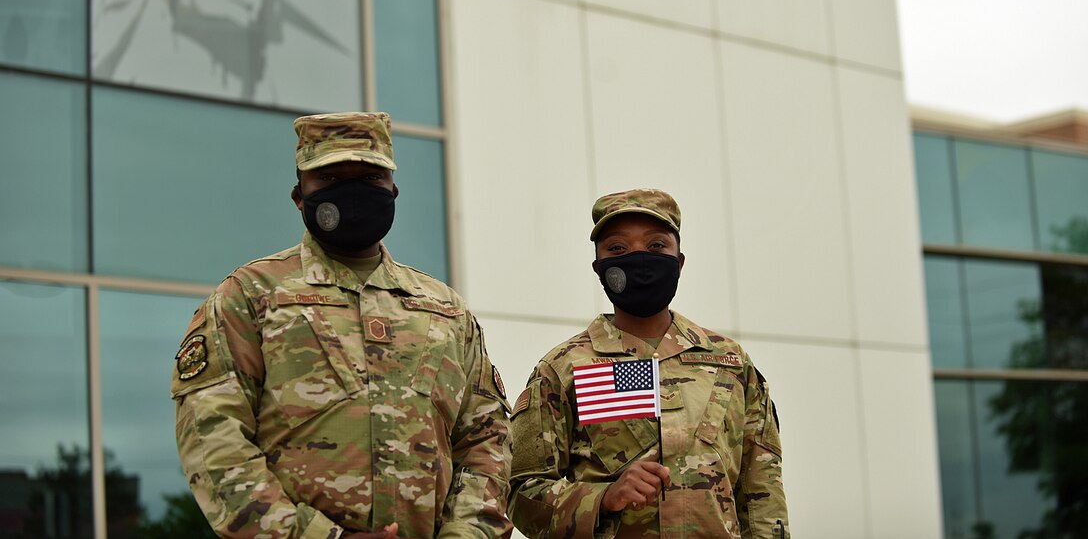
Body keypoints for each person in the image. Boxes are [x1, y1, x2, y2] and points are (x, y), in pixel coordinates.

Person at [172, 112, 512, 538]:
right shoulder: (251, 297)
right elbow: (213, 439)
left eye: (370, 178)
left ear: (393, 190)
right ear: (299, 196)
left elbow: (487, 441)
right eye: (330, 179)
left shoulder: (445, 310)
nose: (352, 192)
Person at [508, 189, 789, 538]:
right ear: (599, 268)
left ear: (679, 262)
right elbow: (519, 492)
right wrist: (602, 498)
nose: (638, 257)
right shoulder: (564, 368)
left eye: (656, 246)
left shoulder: (730, 363)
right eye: (618, 249)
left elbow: (762, 494)